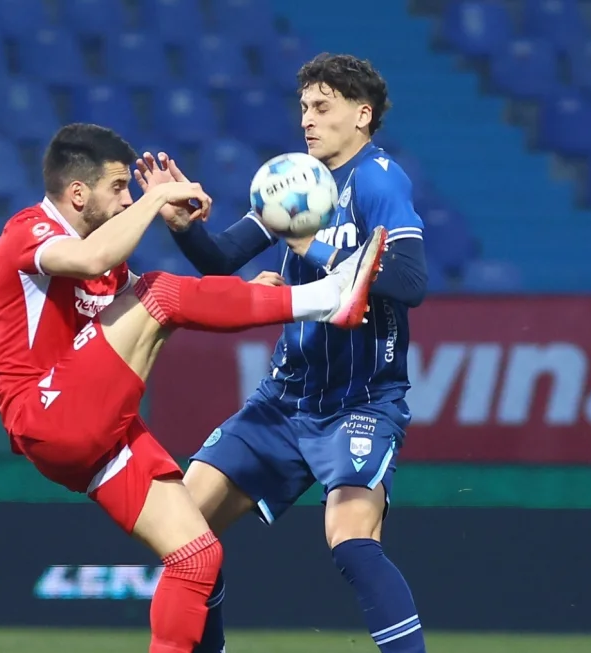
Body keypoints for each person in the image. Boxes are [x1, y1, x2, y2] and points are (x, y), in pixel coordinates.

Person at [0, 122, 389, 653]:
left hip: (98, 436)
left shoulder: (109, 266)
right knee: (157, 293)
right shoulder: (30, 230)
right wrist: (157, 199)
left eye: (131, 189)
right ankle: (331, 298)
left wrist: (243, 292)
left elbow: (178, 304)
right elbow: (111, 271)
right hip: (46, 414)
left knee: (197, 556)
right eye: (118, 187)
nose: (127, 199)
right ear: (77, 194)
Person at [134, 54, 430, 653]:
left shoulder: (379, 180)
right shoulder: (297, 180)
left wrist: (312, 245)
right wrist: (184, 227)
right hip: (283, 401)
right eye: (303, 108)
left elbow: (410, 280)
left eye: (322, 107)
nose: (307, 120)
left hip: (359, 402)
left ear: (362, 114)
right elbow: (220, 260)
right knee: (184, 535)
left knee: (351, 541)